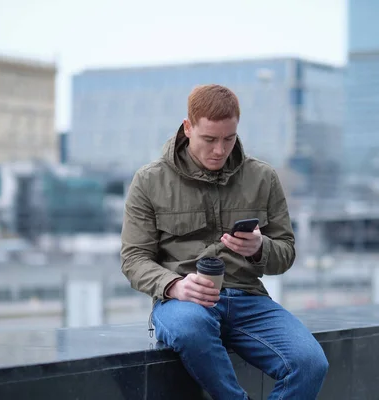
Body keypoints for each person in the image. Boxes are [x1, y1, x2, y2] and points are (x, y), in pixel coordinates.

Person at [121, 84, 329, 399]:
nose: (219, 150)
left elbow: (285, 253)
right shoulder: (149, 181)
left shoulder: (263, 177)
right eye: (209, 139)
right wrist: (175, 286)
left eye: (228, 139)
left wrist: (260, 248)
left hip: (249, 300)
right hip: (184, 303)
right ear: (188, 128)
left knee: (311, 363)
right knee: (191, 329)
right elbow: (134, 259)